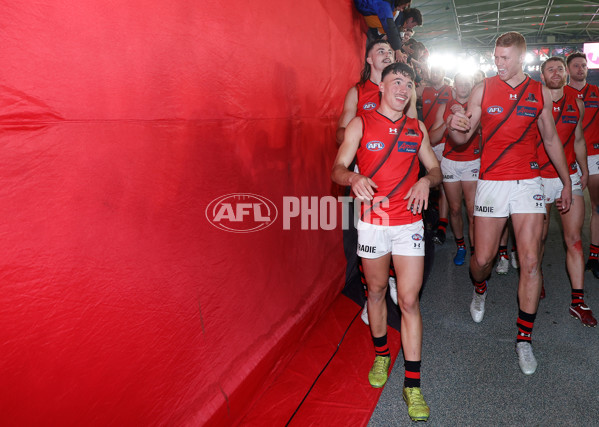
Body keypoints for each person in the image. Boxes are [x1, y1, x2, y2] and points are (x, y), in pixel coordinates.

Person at [447, 32, 572, 375]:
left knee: (530, 261)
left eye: (504, 58)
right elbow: (463, 135)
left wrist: (564, 182)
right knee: (483, 259)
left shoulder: (538, 91)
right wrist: (453, 126)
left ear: (520, 57)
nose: (498, 63)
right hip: (490, 182)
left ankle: (524, 339)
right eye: (495, 57)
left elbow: (550, 139)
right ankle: (480, 288)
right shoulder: (483, 88)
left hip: (527, 182)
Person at [332, 62, 441, 421]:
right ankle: (381, 355)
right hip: (374, 223)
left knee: (409, 301)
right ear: (380, 85)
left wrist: (427, 181)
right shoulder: (360, 124)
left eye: (409, 84)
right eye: (397, 81)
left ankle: (412, 385)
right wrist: (352, 177)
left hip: (408, 223)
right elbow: (337, 168)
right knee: (376, 293)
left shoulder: (417, 127)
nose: (403, 88)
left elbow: (435, 168)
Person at [538, 56, 596, 327]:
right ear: (542, 76)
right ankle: (534, 281)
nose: (556, 72)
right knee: (535, 240)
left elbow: (579, 139)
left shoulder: (577, 101)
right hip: (537, 178)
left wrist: (583, 170)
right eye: (550, 69)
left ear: (565, 73)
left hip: (569, 175)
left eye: (560, 68)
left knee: (574, 240)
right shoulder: (534, 100)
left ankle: (578, 301)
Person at [429, 73, 480, 266]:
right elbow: (432, 138)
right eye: (460, 83)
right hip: (450, 161)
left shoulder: (477, 107)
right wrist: (447, 122)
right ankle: (461, 246)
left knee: (472, 209)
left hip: (472, 160)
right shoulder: (444, 107)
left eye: (467, 83)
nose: (464, 87)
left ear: (472, 85)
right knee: (455, 209)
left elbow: (484, 131)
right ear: (454, 86)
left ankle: (475, 249)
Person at [564, 52, 599, 279]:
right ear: (568, 69)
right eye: (576, 65)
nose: (580, 69)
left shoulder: (596, 93)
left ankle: (594, 255)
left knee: (597, 206)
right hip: (565, 159)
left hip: (594, 156)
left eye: (584, 65)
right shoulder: (558, 93)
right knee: (559, 210)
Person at [418, 65, 453, 245]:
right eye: (432, 71)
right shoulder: (423, 90)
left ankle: (442, 224)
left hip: (444, 142)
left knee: (443, 183)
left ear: (444, 73)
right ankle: (433, 216)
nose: (435, 73)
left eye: (438, 70)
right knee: (431, 183)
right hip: (425, 142)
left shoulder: (451, 91)